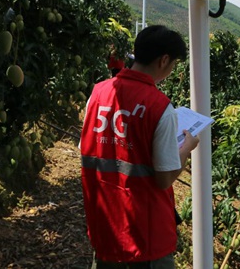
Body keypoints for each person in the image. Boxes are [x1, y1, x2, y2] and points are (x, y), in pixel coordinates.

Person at [80, 25, 200, 269]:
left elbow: (90, 147)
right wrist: (186, 149)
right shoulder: (159, 107)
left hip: (105, 227)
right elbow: (164, 178)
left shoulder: (97, 94)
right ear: (164, 60)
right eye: (174, 64)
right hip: (145, 237)